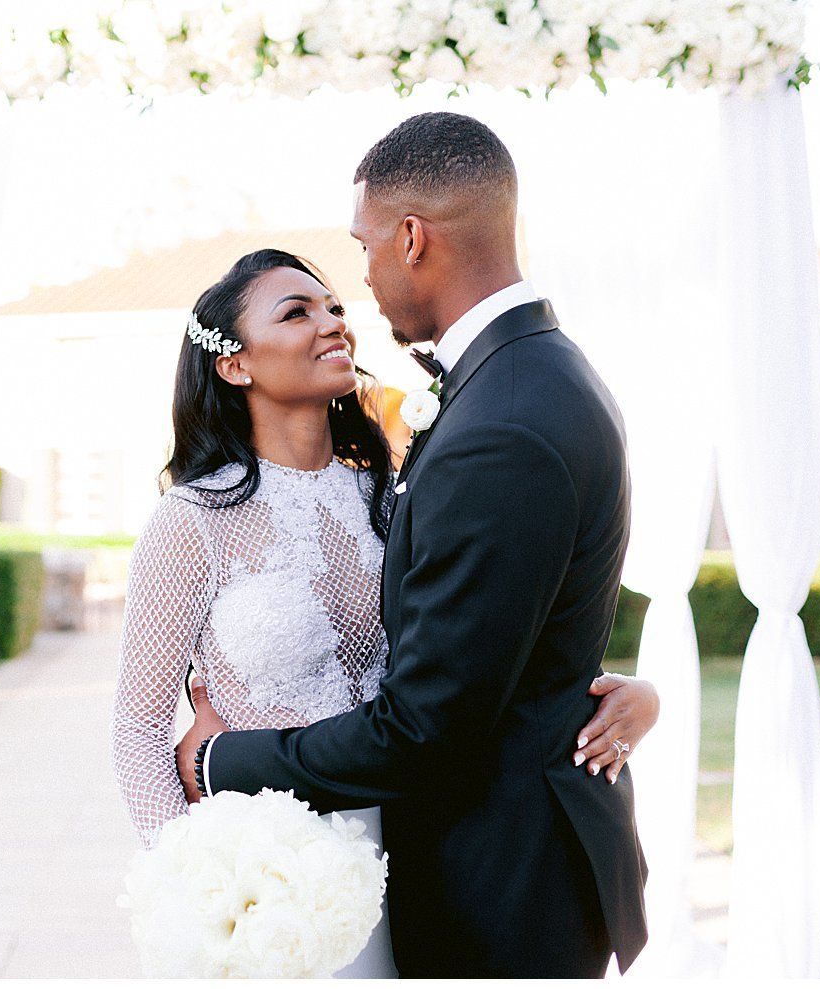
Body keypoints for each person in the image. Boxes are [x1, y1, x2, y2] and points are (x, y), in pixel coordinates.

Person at [176, 112, 651, 978]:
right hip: (458, 865)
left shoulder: (501, 422)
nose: (359, 283)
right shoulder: (531, 376)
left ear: (411, 236)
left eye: (363, 250)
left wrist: (219, 758)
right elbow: (512, 620)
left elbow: (425, 727)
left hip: (497, 890)